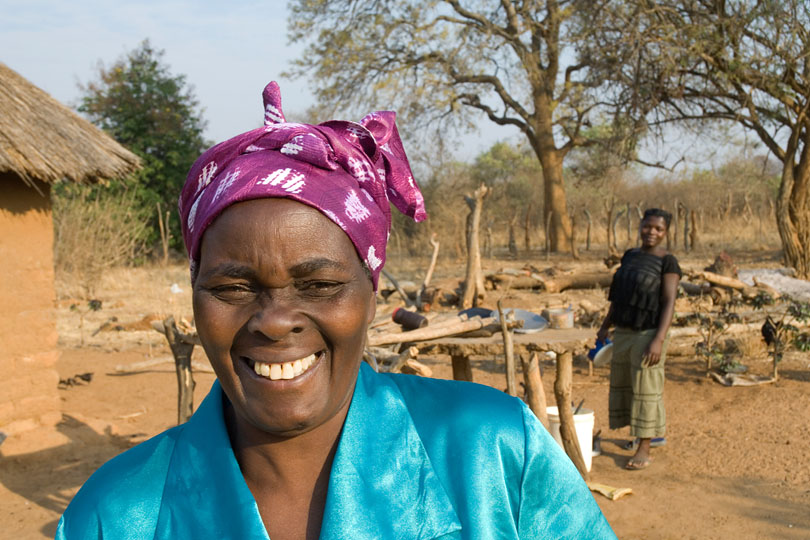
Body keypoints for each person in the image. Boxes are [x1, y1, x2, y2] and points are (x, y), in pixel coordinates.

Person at [56, 81, 616, 539]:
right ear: (195, 295)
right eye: (232, 288)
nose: (274, 320)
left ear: (372, 293)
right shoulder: (116, 516)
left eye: (319, 284)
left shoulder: (492, 456)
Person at [597, 208, 681, 471]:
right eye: (648, 226)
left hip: (649, 333)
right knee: (629, 386)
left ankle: (644, 447)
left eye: (658, 229)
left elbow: (669, 302)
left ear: (665, 232)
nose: (652, 232)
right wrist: (605, 325)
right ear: (641, 226)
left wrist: (658, 339)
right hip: (623, 331)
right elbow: (619, 296)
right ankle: (642, 436)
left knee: (647, 389)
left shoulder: (668, 262)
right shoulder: (631, 256)